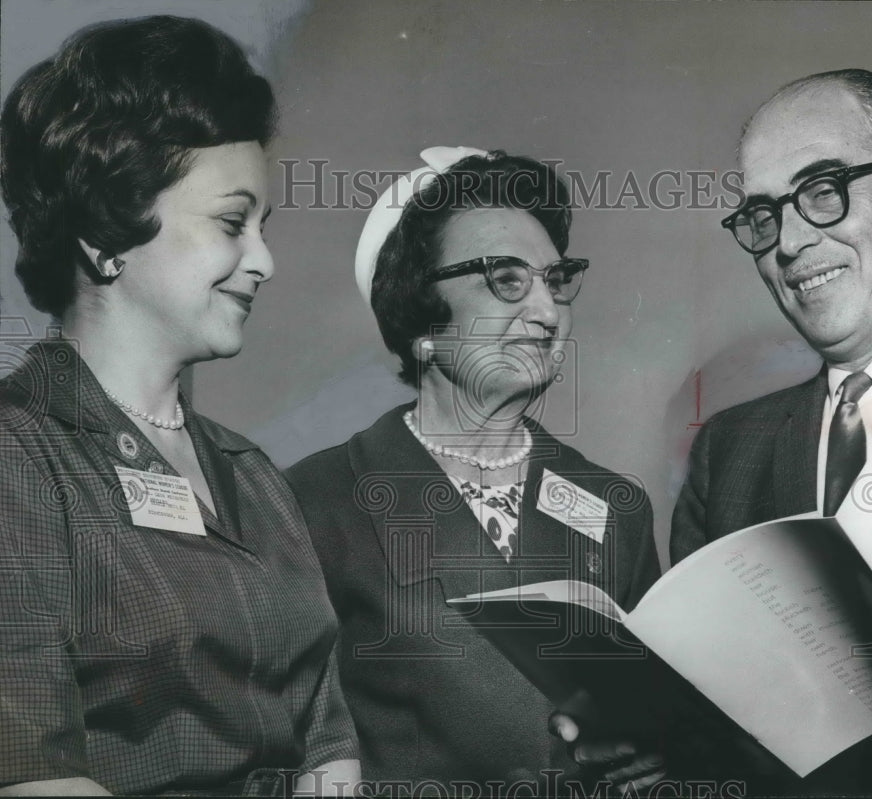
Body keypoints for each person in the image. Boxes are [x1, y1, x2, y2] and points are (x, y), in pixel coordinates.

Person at [0, 16, 358, 796]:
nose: (264, 260)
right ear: (107, 232)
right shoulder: (17, 457)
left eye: (264, 226)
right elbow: (30, 768)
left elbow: (326, 733)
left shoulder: (254, 473)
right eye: (233, 223)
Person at [287, 148, 664, 795]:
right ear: (419, 313)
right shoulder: (312, 501)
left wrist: (657, 755)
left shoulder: (615, 505)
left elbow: (655, 715)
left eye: (555, 279)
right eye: (507, 280)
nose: (546, 313)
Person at [670, 68, 872, 792]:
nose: (787, 243)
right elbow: (702, 730)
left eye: (823, 190)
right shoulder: (728, 452)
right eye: (761, 216)